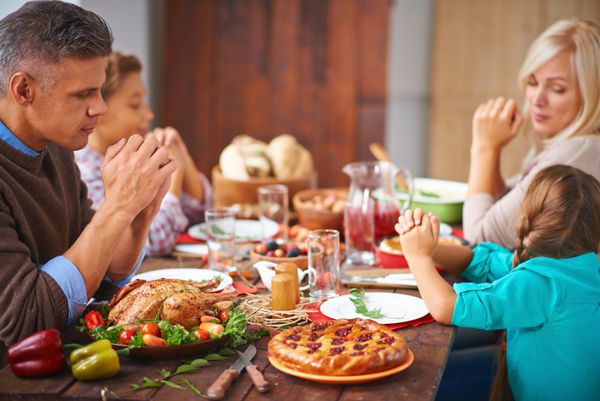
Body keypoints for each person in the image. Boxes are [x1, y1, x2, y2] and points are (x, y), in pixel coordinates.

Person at [0, 1, 177, 348]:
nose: (101, 107)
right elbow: (25, 323)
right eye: (83, 94)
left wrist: (142, 213)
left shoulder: (57, 147)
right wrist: (117, 208)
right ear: (23, 90)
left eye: (98, 90)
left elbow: (97, 281)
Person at [396, 165, 600, 401]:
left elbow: (446, 307)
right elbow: (483, 262)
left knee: (420, 377)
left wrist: (418, 257)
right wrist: (430, 248)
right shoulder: (581, 272)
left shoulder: (541, 283)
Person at [464, 18, 600, 248]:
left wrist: (484, 148)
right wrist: (494, 150)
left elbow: (480, 241)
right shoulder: (576, 145)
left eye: (557, 88)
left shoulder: (578, 152)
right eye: (533, 82)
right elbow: (504, 207)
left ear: (593, 94)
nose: (537, 99)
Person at [75, 52, 212, 256]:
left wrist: (182, 156)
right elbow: (150, 242)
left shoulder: (138, 156)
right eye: (135, 105)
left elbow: (202, 215)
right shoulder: (84, 173)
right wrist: (174, 178)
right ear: (98, 108)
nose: (149, 114)